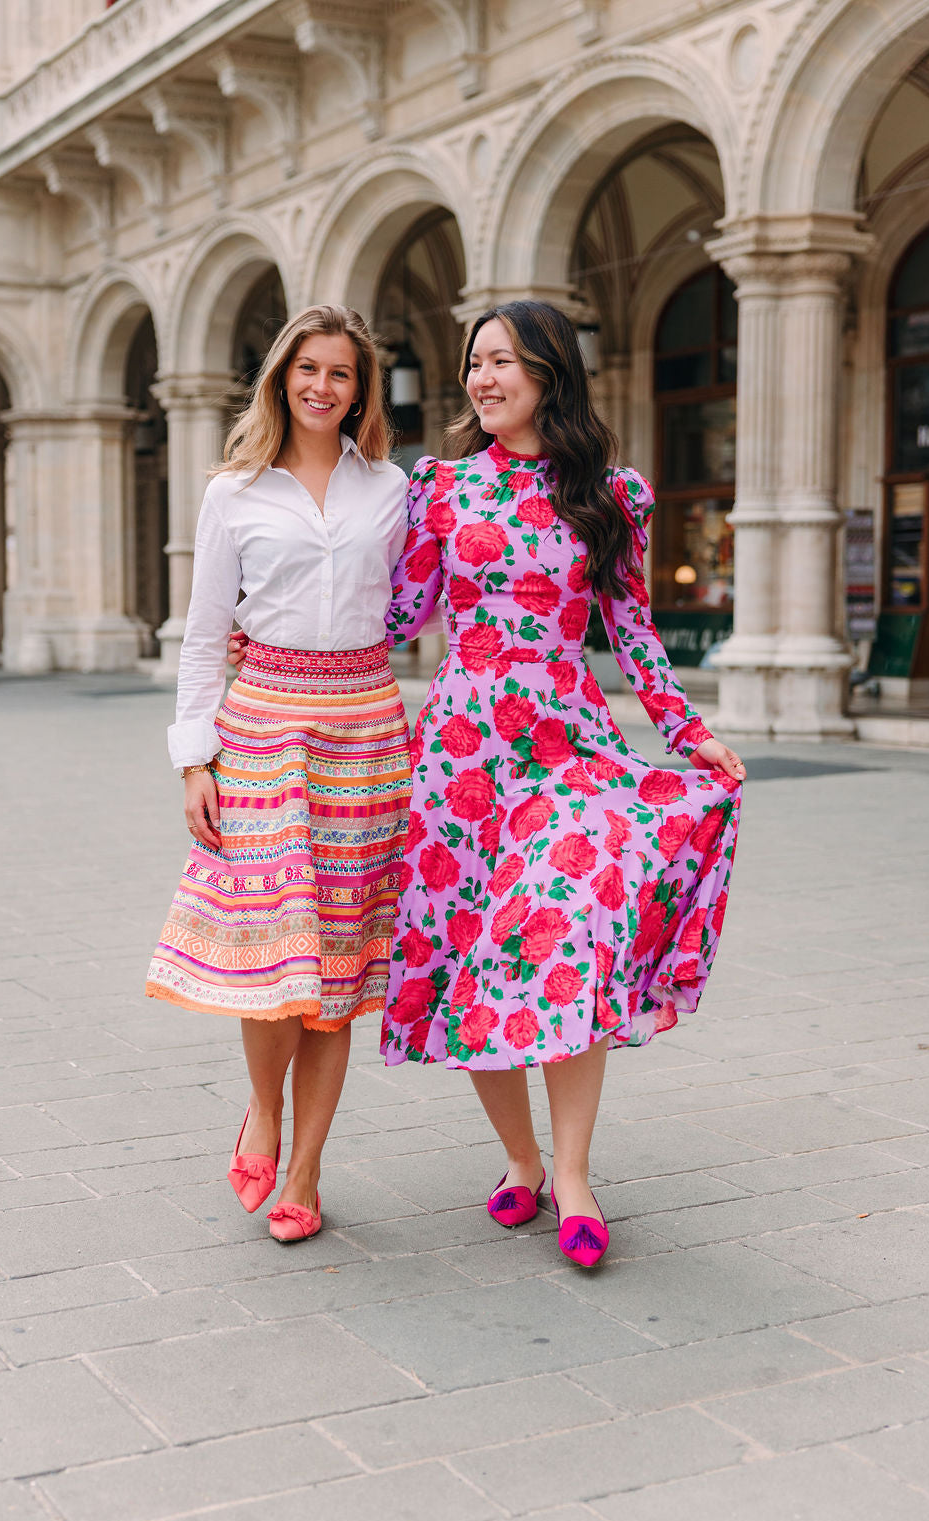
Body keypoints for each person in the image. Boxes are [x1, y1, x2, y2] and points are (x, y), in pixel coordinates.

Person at [378, 300, 746, 1269]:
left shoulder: (611, 493)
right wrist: (287, 635)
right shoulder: (442, 489)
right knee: (471, 954)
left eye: (502, 361)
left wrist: (688, 730)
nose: (482, 378)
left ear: (549, 372)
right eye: (474, 363)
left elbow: (631, 630)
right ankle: (520, 1160)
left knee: (565, 942)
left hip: (567, 745)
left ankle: (575, 1173)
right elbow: (399, 612)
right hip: (459, 756)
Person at [147, 305, 411, 1244]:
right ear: (281, 377)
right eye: (309, 369)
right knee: (272, 953)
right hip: (261, 731)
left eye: (341, 374)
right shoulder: (234, 491)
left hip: (369, 732)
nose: (322, 387)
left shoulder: (392, 487)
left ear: (360, 390)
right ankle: (265, 1106)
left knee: (335, 969)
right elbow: (204, 633)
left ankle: (305, 1169)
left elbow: (422, 602)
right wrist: (194, 760)